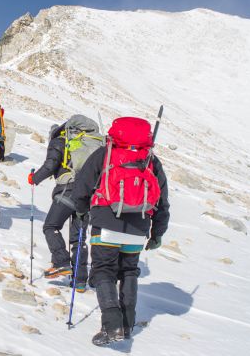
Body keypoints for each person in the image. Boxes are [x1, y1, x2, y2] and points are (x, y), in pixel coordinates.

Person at [72, 116, 170, 346]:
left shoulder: (105, 154)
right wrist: (158, 233)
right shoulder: (150, 161)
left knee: (103, 270)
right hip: (139, 225)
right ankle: (127, 323)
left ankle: (112, 324)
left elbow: (82, 186)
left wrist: (81, 211)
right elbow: (163, 202)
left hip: (106, 220)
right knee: (129, 270)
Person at [27, 115, 102, 292]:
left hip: (68, 190)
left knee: (51, 226)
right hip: (89, 194)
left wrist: (35, 178)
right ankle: (80, 281)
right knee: (79, 238)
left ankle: (61, 262)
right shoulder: (94, 143)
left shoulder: (60, 141)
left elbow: (51, 164)